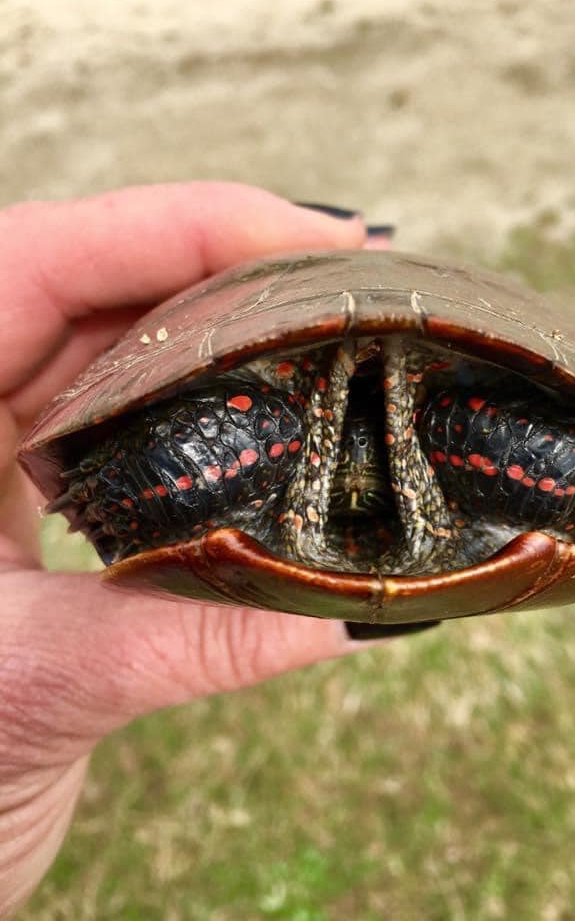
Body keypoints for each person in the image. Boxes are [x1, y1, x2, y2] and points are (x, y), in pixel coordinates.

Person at [0, 183, 431, 917]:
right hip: (270, 412)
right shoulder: (266, 422)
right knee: (228, 437)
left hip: (429, 415)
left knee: (517, 445)